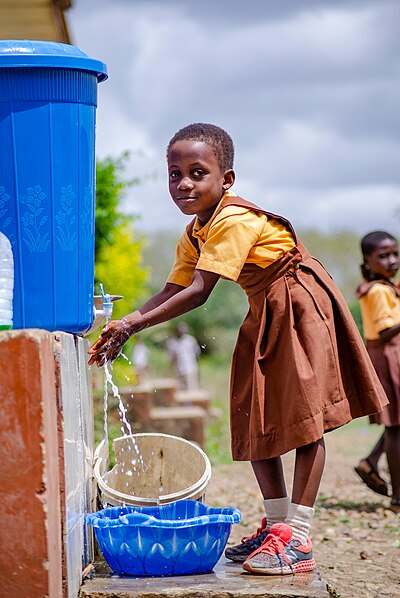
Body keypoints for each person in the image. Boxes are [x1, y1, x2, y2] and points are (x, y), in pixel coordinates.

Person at [88, 123, 387, 575]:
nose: (183, 183)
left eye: (197, 172)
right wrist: (126, 326)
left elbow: (200, 292)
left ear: (225, 180)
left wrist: (133, 323)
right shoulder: (194, 233)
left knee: (307, 420)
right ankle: (278, 524)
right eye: (174, 174)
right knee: (253, 413)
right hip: (263, 305)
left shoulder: (232, 219)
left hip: (298, 302)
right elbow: (174, 288)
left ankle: (299, 537)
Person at [353, 231, 400, 514]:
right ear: (368, 261)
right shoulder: (379, 291)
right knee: (395, 427)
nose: (392, 260)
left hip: (392, 355)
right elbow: (384, 332)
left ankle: (370, 461)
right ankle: (398, 499)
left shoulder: (386, 287)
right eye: (383, 256)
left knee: (396, 423)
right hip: (388, 356)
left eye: (395, 254)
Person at [166, 322, 201, 389]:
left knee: (191, 391)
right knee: (180, 392)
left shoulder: (190, 340)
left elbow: (197, 356)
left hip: (190, 370)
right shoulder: (172, 342)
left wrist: (199, 371)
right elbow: (171, 359)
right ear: (176, 330)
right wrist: (169, 372)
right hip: (179, 371)